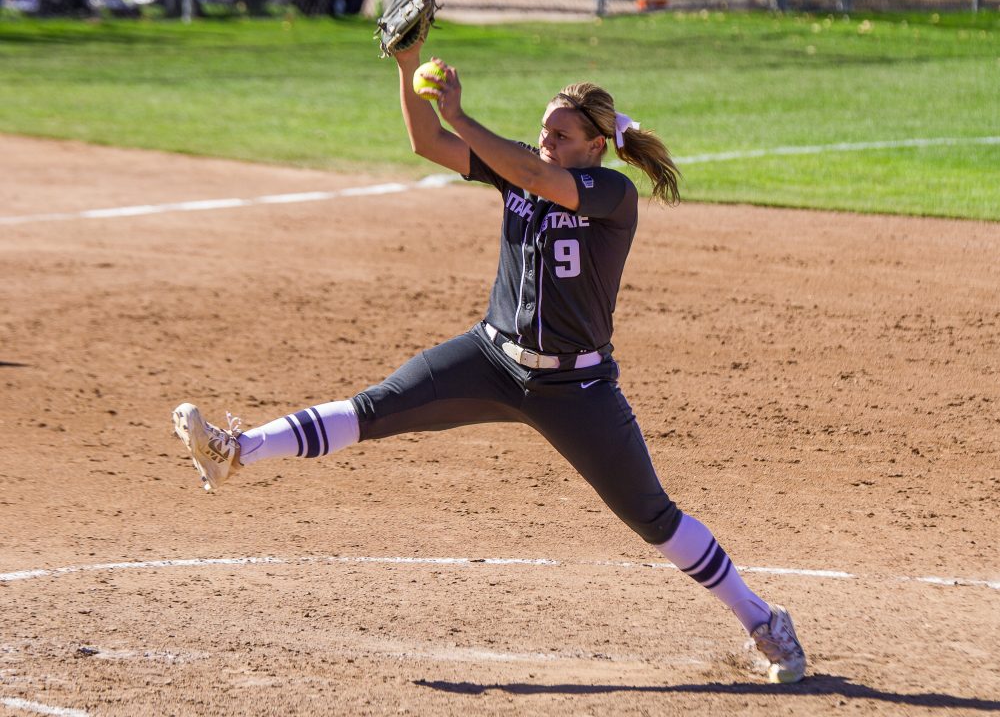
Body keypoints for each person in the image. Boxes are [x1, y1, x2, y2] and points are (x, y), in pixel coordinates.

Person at [171, 39, 807, 684]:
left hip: (576, 386)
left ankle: (763, 623)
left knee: (652, 515)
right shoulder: (522, 167)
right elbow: (428, 144)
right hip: (491, 357)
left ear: (594, 146)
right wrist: (405, 63)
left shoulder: (612, 193)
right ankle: (238, 451)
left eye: (560, 135)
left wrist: (461, 114)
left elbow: (537, 179)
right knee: (376, 408)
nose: (546, 142)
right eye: (543, 130)